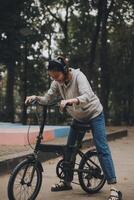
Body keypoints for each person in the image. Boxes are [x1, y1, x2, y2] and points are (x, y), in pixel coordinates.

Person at [25, 56, 122, 200]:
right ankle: (67, 181)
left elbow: (87, 96)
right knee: (69, 148)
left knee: (102, 149)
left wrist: (72, 100)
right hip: (78, 118)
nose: (55, 79)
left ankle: (114, 188)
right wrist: (36, 98)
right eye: (52, 77)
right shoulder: (57, 82)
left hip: (94, 114)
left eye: (57, 76)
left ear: (64, 70)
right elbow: (48, 98)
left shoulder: (78, 76)